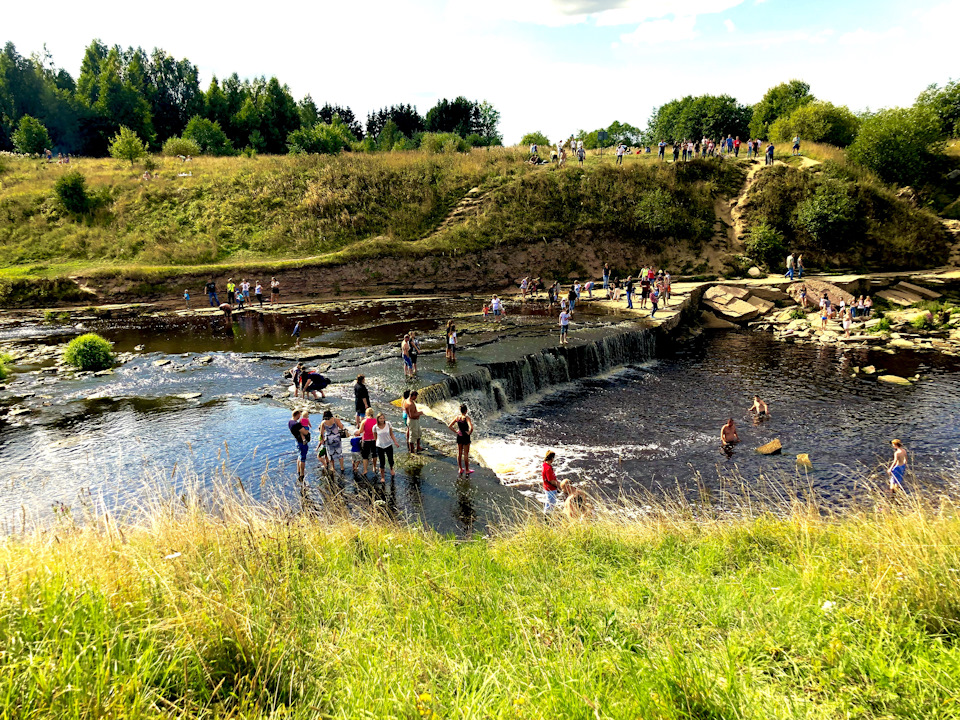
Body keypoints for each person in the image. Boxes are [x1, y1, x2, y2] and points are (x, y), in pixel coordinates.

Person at [448, 404, 474, 474]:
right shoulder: (466, 418)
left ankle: (460, 469)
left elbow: (449, 426)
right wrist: (469, 433)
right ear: (466, 411)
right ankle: (467, 470)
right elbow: (471, 427)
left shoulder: (457, 417)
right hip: (465, 436)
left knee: (459, 453)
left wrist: (456, 431)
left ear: (460, 410)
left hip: (459, 435)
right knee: (465, 454)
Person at [374, 412, 400, 482]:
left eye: (383, 418)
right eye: (380, 418)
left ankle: (391, 468)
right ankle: (382, 477)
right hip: (380, 446)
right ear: (378, 419)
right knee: (382, 462)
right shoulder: (375, 427)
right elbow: (375, 437)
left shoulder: (388, 424)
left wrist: (395, 442)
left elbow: (391, 434)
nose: (382, 420)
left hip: (388, 444)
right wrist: (377, 444)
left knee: (390, 459)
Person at [319, 410, 346, 474]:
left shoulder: (323, 422)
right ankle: (342, 467)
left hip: (329, 439)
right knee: (339, 453)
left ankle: (333, 468)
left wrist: (322, 439)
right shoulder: (335, 420)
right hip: (336, 438)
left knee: (330, 454)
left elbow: (321, 433)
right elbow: (341, 427)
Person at [354, 408, 379, 477]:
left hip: (366, 440)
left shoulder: (364, 421)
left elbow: (361, 431)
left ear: (366, 413)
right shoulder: (376, 421)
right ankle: (374, 467)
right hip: (374, 440)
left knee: (365, 456)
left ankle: (365, 470)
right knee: (374, 454)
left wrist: (356, 432)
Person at [288, 409, 310, 480]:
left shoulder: (290, 422)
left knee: (299, 456)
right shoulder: (296, 424)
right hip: (301, 442)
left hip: (297, 441)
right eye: (299, 415)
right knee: (303, 458)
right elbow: (305, 432)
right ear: (297, 415)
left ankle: (298, 471)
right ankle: (302, 474)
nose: (300, 417)